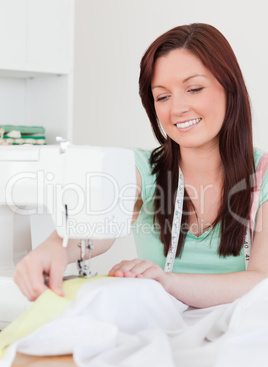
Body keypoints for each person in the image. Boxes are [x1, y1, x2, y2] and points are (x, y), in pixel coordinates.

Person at [14, 23, 268, 308]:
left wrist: (168, 283)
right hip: (165, 333)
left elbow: (262, 280)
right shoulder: (141, 170)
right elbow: (99, 216)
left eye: (194, 89)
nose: (177, 109)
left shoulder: (264, 177)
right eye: (163, 96)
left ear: (230, 88)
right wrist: (54, 249)